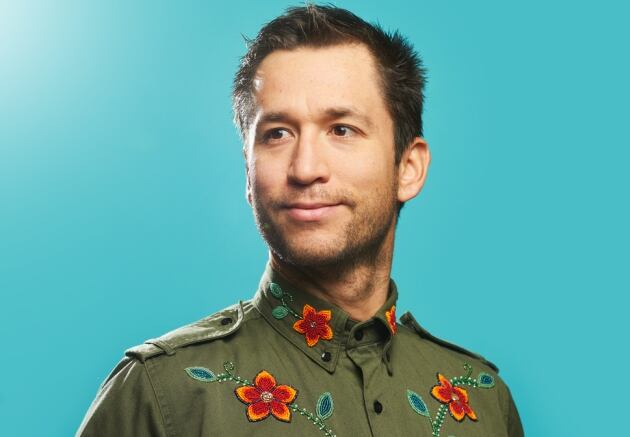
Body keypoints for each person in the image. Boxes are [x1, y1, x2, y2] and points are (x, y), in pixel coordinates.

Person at [77, 4, 524, 436]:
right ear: (248, 174)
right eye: (277, 134)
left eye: (341, 129)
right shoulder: (162, 393)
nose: (305, 167)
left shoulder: (482, 399)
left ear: (408, 167)